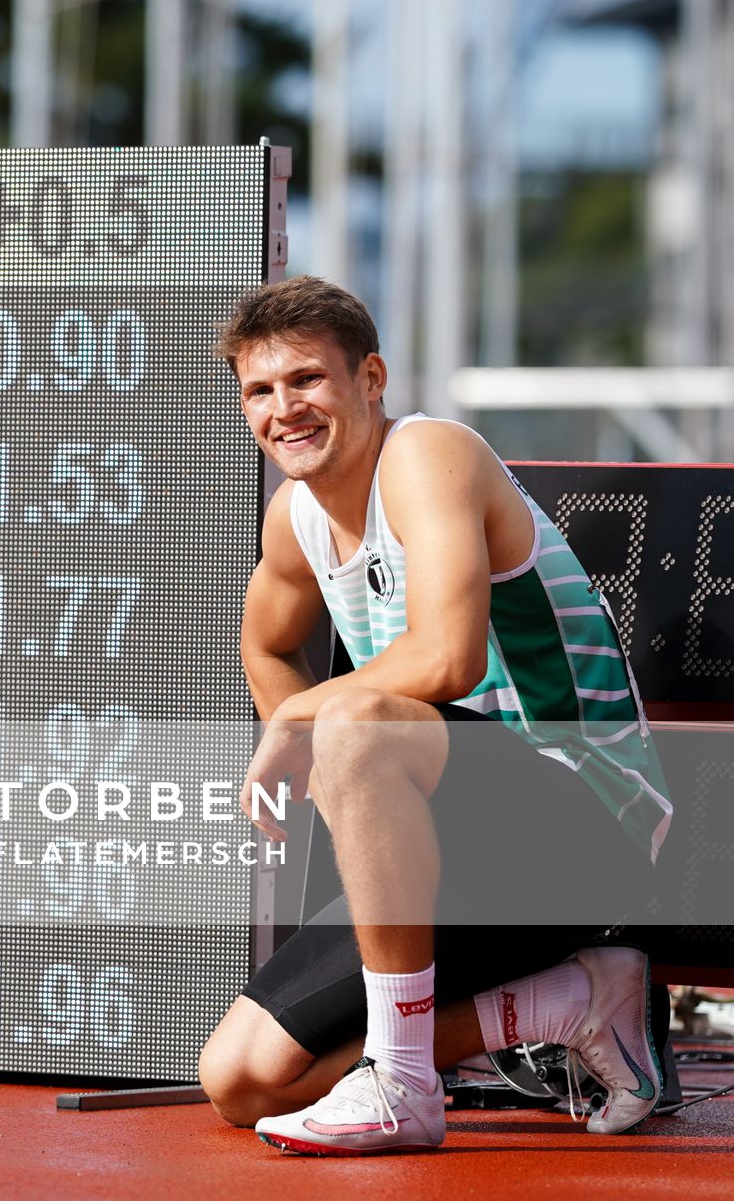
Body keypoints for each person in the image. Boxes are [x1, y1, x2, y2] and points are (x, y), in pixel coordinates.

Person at [195, 276, 673, 1155]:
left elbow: (446, 658)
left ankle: (405, 1084)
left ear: (370, 378)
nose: (283, 409)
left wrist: (305, 723)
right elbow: (262, 642)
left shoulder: (428, 456)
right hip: (444, 850)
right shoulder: (293, 519)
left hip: (588, 826)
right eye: (260, 391)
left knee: (361, 720)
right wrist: (292, 732)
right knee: (241, 1080)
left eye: (307, 380)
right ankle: (574, 1001)